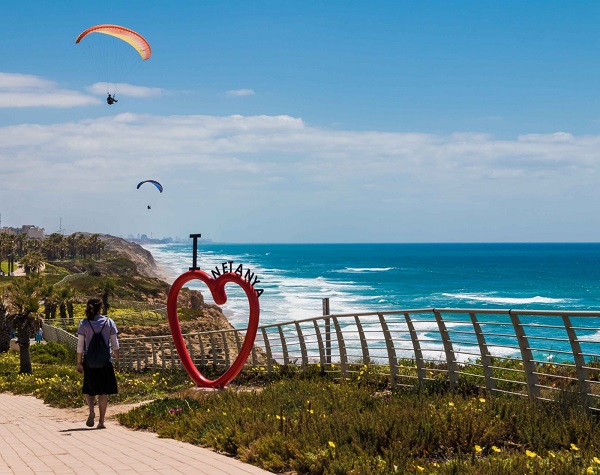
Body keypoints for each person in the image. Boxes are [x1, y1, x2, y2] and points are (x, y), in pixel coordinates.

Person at [76, 297, 120, 429]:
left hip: (89, 361)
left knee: (89, 389)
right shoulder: (108, 322)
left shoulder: (84, 323)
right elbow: (115, 344)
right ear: (100, 308)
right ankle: (101, 421)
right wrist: (118, 360)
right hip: (105, 361)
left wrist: (79, 362)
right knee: (103, 392)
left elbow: (80, 345)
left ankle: (91, 411)